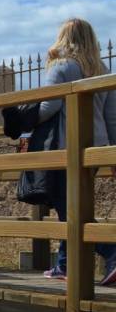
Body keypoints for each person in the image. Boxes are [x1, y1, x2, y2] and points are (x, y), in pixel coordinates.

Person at [38, 18, 116, 283]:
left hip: (67, 145)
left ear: (64, 38)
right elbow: (112, 117)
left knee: (69, 209)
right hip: (96, 146)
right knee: (75, 203)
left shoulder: (61, 65)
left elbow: (48, 107)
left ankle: (111, 251)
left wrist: (25, 118)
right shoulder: (102, 69)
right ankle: (65, 265)